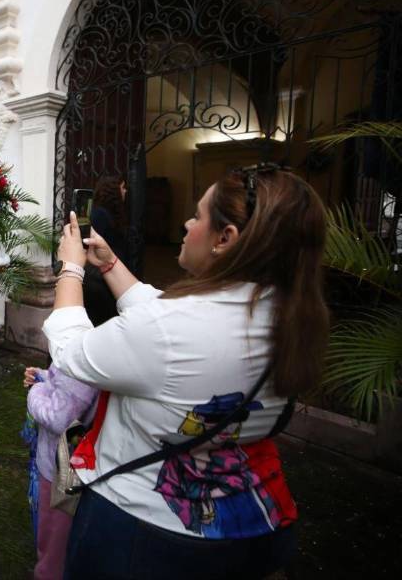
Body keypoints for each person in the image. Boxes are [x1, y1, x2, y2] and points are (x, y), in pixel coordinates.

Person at [44, 164, 329, 579]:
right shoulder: (291, 316)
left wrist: (70, 268)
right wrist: (110, 264)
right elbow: (165, 315)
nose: (186, 223)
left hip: (144, 531)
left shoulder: (171, 329)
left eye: (197, 216)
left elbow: (71, 352)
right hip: (249, 525)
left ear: (225, 238)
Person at [24, 365, 97, 580]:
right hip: (69, 464)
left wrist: (36, 391)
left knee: (54, 539)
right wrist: (44, 376)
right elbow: (68, 389)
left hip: (62, 468)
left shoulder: (81, 360)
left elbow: (58, 418)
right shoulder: (87, 359)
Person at [84, 177, 127, 326]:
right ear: (113, 191)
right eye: (123, 187)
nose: (125, 191)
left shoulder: (110, 212)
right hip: (101, 276)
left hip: (110, 268)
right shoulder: (100, 214)